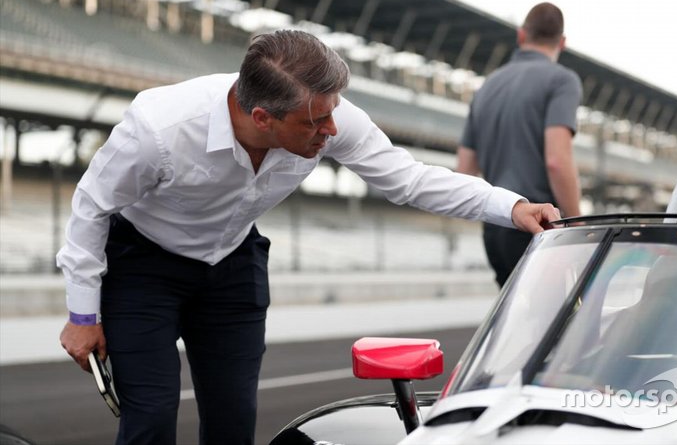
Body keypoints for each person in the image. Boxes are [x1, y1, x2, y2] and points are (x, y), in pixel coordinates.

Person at [57, 29, 560, 445]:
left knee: (233, 423)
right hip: (144, 265)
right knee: (151, 419)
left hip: (232, 264)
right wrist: (83, 314)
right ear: (263, 118)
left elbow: (410, 180)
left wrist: (512, 207)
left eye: (333, 113)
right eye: (315, 122)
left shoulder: (329, 117)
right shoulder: (159, 128)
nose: (331, 130)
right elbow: (92, 203)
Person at [457, 2, 582, 287]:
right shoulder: (562, 81)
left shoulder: (487, 87)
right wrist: (576, 224)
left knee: (517, 323)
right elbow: (557, 160)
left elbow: (464, 171)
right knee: (555, 325)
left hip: (495, 227)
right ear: (562, 42)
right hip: (539, 225)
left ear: (521, 35)